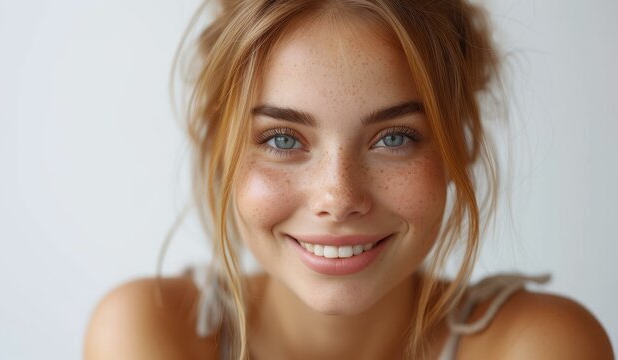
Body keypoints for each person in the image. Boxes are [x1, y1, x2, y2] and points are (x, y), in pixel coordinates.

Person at [84, 1, 614, 359]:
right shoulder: (149, 332)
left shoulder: (538, 345)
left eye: (394, 138)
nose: (338, 199)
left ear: (462, 142)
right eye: (283, 139)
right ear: (219, 149)